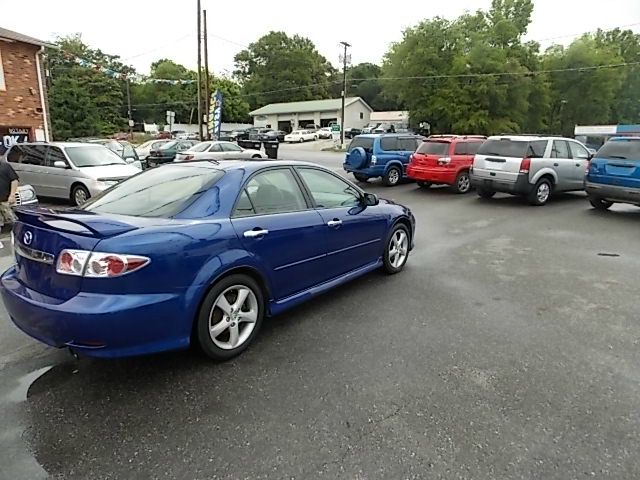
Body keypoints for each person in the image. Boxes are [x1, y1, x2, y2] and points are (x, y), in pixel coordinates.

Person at [0, 159, 19, 229]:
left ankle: (19, 233)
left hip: (5, 200)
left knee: (12, 220)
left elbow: (14, 180)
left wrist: (12, 195)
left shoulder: (5, 166)